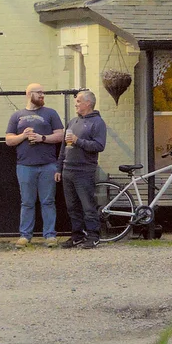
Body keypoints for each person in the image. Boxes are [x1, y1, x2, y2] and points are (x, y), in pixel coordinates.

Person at [5, 83, 64, 246]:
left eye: (43, 92)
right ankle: (25, 235)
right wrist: (23, 136)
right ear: (29, 94)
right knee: (27, 202)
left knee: (48, 201)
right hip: (24, 165)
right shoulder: (17, 116)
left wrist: (42, 138)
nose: (42, 95)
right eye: (39, 93)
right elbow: (9, 140)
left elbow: (60, 135)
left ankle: (50, 235)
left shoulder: (51, 113)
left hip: (48, 164)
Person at [61, 90, 107, 249]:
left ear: (88, 103)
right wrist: (59, 167)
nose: (76, 103)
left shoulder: (98, 123)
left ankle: (93, 236)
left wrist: (78, 141)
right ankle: (77, 235)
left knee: (88, 205)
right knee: (72, 206)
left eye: (79, 101)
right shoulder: (72, 122)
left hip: (84, 170)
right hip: (68, 169)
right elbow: (63, 147)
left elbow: (99, 146)